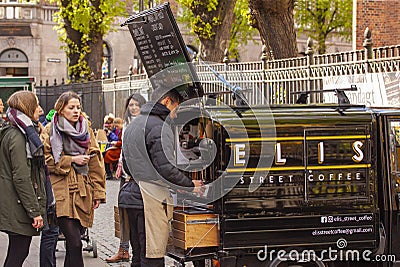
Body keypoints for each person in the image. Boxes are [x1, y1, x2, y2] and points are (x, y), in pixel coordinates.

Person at [123, 89, 204, 266]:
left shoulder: (134, 124)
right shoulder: (159, 127)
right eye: (176, 108)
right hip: (149, 198)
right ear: (167, 102)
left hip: (130, 196)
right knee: (152, 256)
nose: (175, 115)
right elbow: (165, 168)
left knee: (138, 255)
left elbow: (126, 164)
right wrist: (190, 184)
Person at [42, 91, 106, 267]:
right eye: (71, 107)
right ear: (61, 109)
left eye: (78, 107)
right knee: (76, 243)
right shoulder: (50, 130)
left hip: (82, 192)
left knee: (73, 246)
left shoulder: (86, 129)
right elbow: (46, 160)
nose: (76, 111)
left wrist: (98, 192)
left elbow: (96, 161)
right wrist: (71, 160)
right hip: (60, 191)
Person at [0, 91, 46, 267]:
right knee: (18, 253)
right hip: (17, 203)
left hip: (16, 201)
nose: (40, 110)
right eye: (36, 105)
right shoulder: (18, 136)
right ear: (27, 108)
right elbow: (21, 176)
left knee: (17, 251)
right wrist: (34, 211)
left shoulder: (16, 130)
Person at [106, 93, 146, 263]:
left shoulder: (144, 124)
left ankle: (134, 252)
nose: (134, 108)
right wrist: (121, 163)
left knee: (138, 219)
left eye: (137, 104)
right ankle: (124, 249)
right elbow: (124, 149)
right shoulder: (127, 125)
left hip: (138, 176)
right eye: (131, 105)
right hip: (125, 175)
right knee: (124, 214)